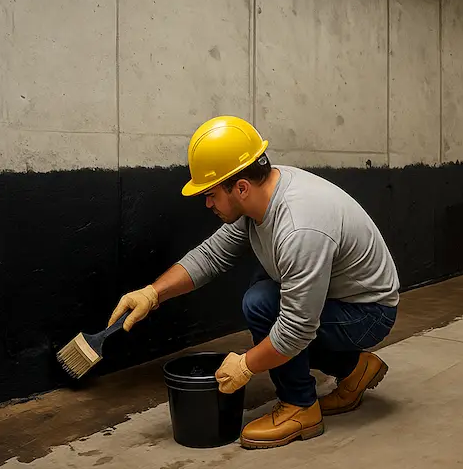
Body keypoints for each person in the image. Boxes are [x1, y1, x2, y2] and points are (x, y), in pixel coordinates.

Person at [108, 115, 400, 449]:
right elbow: (211, 256)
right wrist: (152, 293)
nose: (207, 203)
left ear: (241, 188)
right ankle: (354, 368)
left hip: (367, 312)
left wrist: (245, 365)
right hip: (338, 297)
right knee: (266, 289)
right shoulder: (262, 194)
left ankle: (300, 407)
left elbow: (296, 329)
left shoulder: (299, 227)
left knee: (262, 303)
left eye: (211, 194)